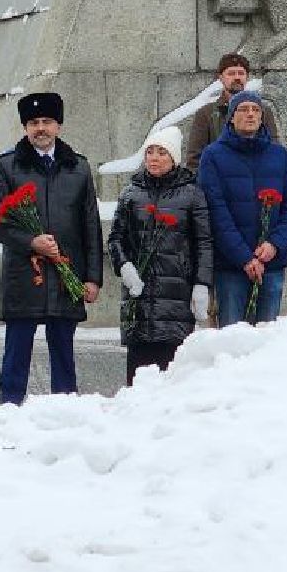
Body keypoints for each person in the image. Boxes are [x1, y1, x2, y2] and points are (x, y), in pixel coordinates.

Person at [0, 92, 103, 401]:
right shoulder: (7, 166)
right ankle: (9, 411)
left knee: (63, 356)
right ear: (25, 127)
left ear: (58, 126)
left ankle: (64, 410)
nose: (41, 128)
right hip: (24, 277)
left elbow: (91, 226)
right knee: (16, 356)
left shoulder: (78, 167)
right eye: (34, 123)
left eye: (47, 121)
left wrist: (92, 278)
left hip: (66, 277)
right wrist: (30, 242)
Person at [107, 126, 212, 384]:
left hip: (176, 297)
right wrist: (124, 266)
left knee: (172, 374)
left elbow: (204, 243)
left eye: (161, 152)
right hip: (139, 298)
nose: (154, 158)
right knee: (138, 377)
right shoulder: (131, 193)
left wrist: (202, 284)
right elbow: (116, 238)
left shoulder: (192, 194)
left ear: (173, 158)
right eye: (150, 152)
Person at [196, 89, 287, 327]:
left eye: (256, 110)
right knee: (233, 336)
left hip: (271, 264)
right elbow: (215, 211)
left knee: (267, 337)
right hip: (231, 266)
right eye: (243, 109)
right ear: (231, 117)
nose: (250, 114)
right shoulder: (212, 156)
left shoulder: (280, 155)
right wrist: (244, 257)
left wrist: (274, 244)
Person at [181, 52, 281, 171]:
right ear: (221, 78)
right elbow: (195, 161)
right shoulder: (206, 114)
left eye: (241, 73)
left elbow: (274, 150)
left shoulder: (263, 111)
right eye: (231, 73)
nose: (237, 77)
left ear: (247, 77)